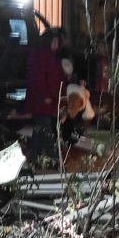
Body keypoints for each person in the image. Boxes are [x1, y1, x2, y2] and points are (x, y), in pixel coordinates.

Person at [25, 27, 68, 164]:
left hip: (46, 99)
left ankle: (33, 156)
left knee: (40, 129)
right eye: (55, 41)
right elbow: (39, 77)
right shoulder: (41, 55)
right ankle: (54, 156)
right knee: (46, 128)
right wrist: (46, 95)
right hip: (42, 100)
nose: (57, 45)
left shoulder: (46, 54)